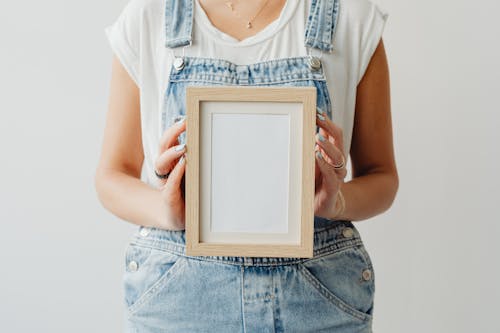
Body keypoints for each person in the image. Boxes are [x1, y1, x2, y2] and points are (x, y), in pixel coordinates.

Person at [95, 0, 399, 331]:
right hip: (179, 300)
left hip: (317, 297)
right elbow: (112, 175)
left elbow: (381, 177)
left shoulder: (349, 16)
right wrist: (166, 210)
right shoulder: (149, 15)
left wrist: (337, 202)